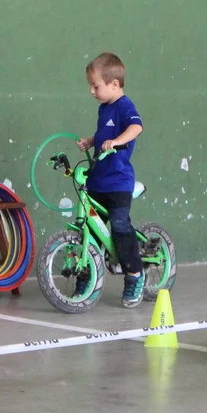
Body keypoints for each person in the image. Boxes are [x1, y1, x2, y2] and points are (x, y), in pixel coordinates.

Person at [76, 52, 146, 307]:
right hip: (98, 180)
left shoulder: (124, 106)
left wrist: (116, 141)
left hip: (117, 181)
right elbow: (103, 134)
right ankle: (87, 276)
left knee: (119, 225)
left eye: (95, 86)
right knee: (90, 230)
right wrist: (91, 141)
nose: (91, 91)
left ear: (114, 84)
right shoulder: (104, 108)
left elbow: (136, 127)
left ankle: (134, 274)